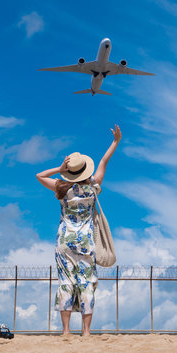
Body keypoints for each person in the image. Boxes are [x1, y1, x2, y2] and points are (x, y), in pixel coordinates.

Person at [36, 124, 121, 336]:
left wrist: (60, 170)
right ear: (85, 170)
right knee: (86, 284)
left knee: (65, 282)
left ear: (70, 172)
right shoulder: (93, 188)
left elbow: (39, 175)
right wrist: (115, 141)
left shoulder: (62, 188)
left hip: (64, 241)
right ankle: (86, 332)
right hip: (86, 241)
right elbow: (103, 161)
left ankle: (65, 331)